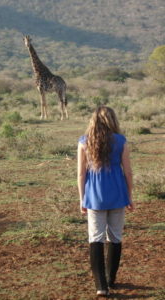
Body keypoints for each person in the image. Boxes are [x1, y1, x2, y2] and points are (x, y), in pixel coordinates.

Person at [77, 106, 134, 297]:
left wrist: (81, 198)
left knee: (96, 237)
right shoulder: (121, 141)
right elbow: (128, 172)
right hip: (118, 194)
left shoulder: (84, 142)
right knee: (115, 237)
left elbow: (81, 174)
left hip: (94, 196)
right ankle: (111, 279)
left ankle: (101, 285)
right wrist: (129, 196)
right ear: (113, 120)